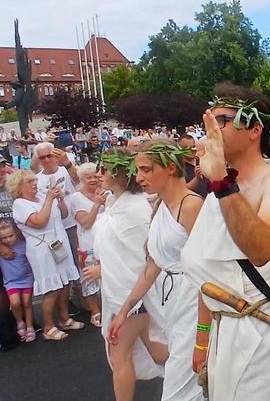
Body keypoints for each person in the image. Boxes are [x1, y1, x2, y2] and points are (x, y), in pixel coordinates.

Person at [181, 83, 270, 400]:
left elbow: (260, 250)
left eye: (221, 120)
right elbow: (208, 272)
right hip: (224, 331)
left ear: (254, 129)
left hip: (263, 330)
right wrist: (202, 338)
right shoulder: (218, 189)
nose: (211, 129)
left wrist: (221, 181)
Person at [109, 142, 204, 401]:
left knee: (180, 386)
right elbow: (153, 266)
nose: (138, 177)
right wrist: (124, 310)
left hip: (195, 303)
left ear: (171, 168)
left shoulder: (192, 206)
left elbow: (210, 273)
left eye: (146, 170)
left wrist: (203, 335)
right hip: (172, 303)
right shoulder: (160, 207)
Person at [92, 149, 168, 401]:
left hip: (130, 293)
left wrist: (102, 270)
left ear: (117, 172)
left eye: (103, 169)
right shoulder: (115, 203)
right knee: (157, 351)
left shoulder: (135, 209)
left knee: (120, 355)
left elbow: (144, 257)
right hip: (123, 292)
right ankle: (202, 372)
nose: (98, 174)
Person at [8, 169, 82, 341]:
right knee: (52, 288)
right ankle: (49, 327)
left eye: (34, 179)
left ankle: (64, 319)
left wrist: (60, 200)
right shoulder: (20, 204)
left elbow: (63, 215)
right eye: (29, 181)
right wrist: (49, 199)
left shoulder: (42, 196)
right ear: (19, 187)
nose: (35, 183)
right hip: (42, 248)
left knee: (64, 284)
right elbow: (39, 222)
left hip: (58, 243)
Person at [69, 163, 105, 327]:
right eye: (88, 177)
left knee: (107, 276)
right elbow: (86, 223)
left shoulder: (107, 192)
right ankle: (95, 311)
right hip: (88, 243)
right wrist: (97, 204)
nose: (93, 180)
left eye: (95, 176)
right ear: (81, 179)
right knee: (89, 279)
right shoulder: (76, 198)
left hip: (105, 242)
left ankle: (107, 308)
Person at [0, 220, 35, 342]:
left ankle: (30, 327)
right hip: (11, 281)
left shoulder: (23, 243)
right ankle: (20, 322)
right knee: (14, 303)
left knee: (26, 303)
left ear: (16, 233)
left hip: (27, 278)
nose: (8, 240)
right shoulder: (2, 248)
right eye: (4, 238)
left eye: (11, 235)